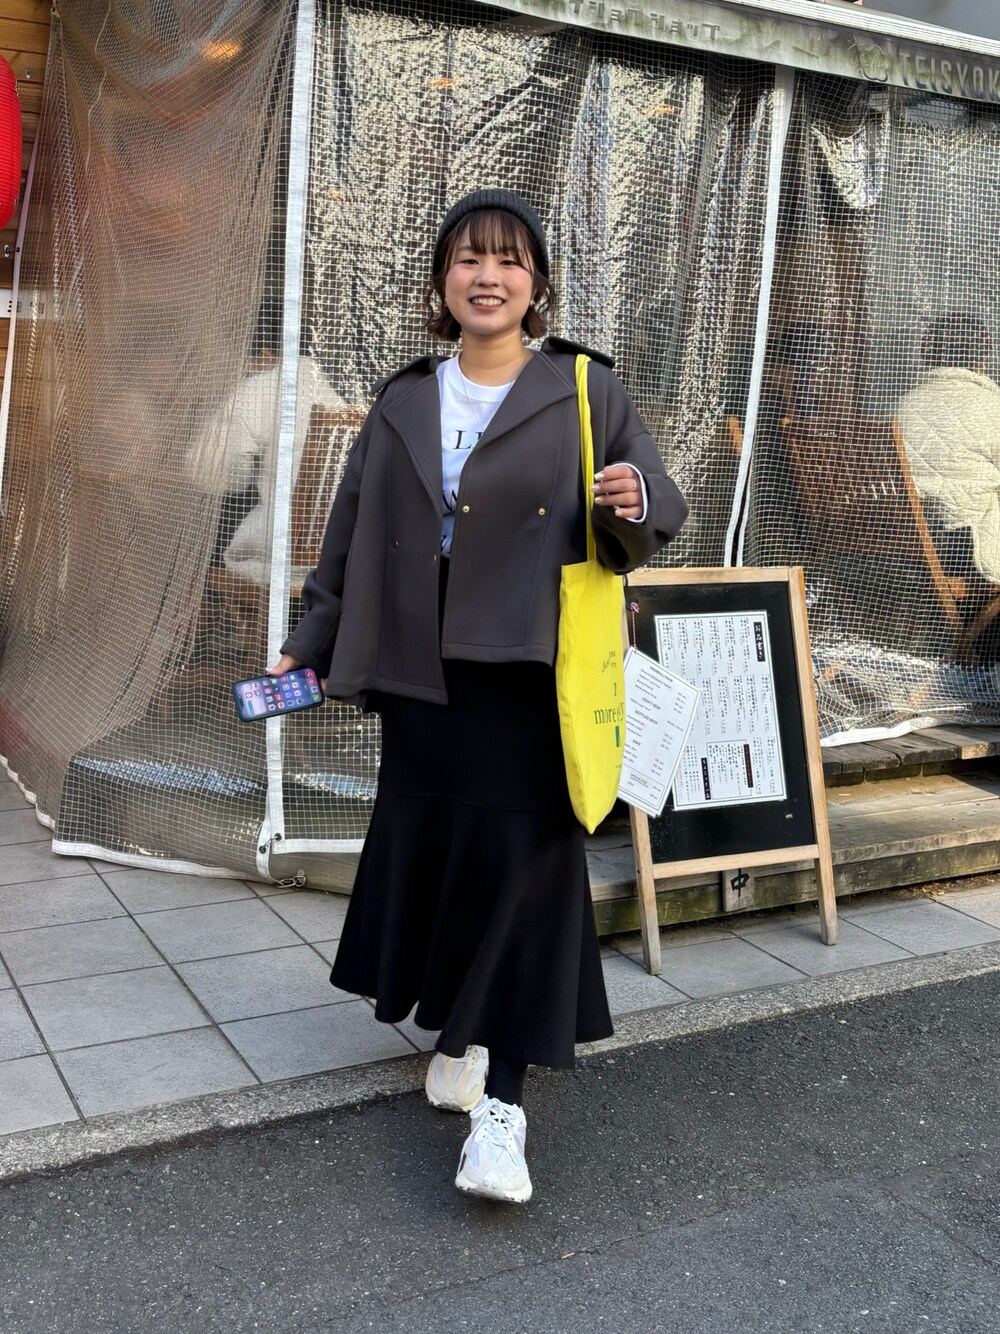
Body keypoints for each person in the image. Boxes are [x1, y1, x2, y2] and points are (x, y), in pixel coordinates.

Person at [268, 189, 688, 1204]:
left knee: (526, 875)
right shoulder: (404, 399)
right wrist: (305, 650)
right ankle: (460, 1032)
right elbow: (348, 540)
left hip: (532, 675)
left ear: (536, 284)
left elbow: (655, 502)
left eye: (507, 259)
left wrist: (635, 498)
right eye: (467, 258)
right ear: (441, 282)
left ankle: (502, 1109)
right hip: (423, 675)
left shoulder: (583, 387)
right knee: (447, 859)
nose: (486, 275)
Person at [189, 304, 344, 579]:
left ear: (264, 355)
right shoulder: (334, 391)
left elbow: (219, 474)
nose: (247, 369)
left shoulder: (260, 388)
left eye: (247, 361)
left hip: (278, 546)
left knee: (206, 527)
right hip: (342, 545)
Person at [897, 312, 1000, 585]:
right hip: (970, 549)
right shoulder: (992, 406)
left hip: (909, 549)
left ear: (929, 356)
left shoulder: (906, 405)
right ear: (982, 361)